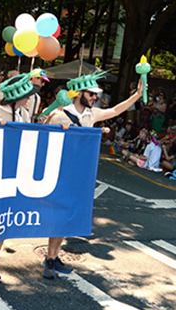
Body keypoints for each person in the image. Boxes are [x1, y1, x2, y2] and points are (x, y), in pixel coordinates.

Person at [42, 73, 143, 279]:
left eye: (95, 95)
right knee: (60, 216)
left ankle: (53, 256)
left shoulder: (91, 114)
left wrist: (136, 96)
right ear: (79, 93)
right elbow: (41, 136)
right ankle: (50, 259)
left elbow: (115, 110)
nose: (95, 98)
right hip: (60, 173)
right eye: (91, 94)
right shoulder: (60, 114)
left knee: (68, 216)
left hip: (79, 174)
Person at [0, 73, 38, 285]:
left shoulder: (25, 113)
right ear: (15, 95)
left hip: (14, 172)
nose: (29, 98)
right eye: (26, 94)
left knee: (5, 219)